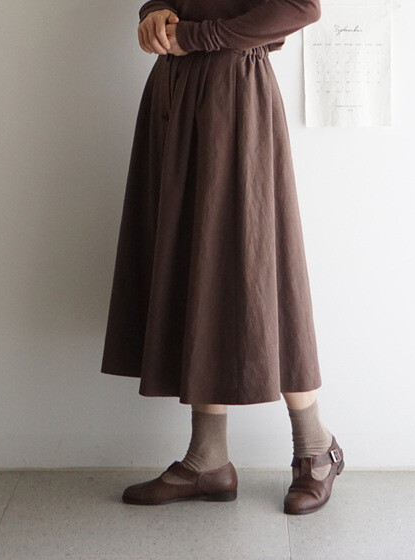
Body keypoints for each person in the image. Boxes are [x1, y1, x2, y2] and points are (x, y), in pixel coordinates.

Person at [101, 0, 344, 515]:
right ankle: (208, 459)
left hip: (235, 94)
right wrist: (154, 13)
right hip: (174, 92)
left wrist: (196, 37)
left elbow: (302, 7)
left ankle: (315, 447)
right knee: (198, 267)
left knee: (261, 269)